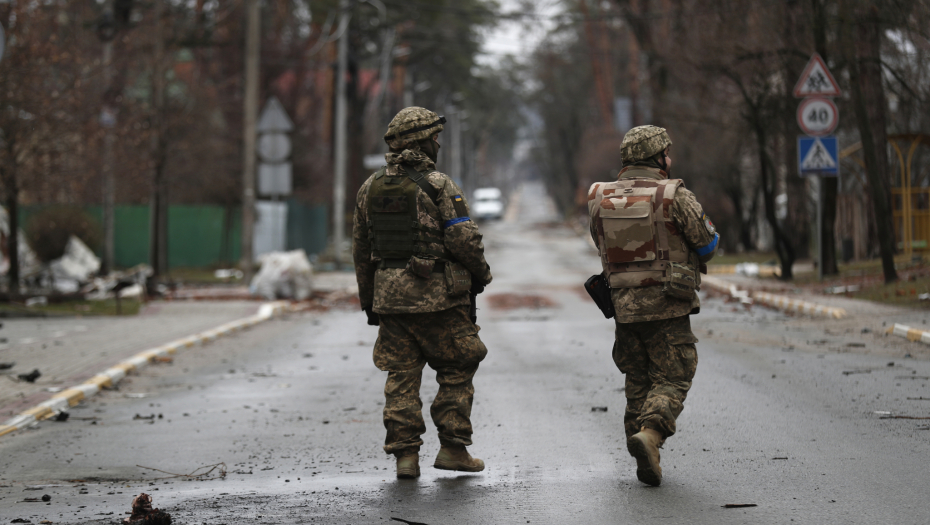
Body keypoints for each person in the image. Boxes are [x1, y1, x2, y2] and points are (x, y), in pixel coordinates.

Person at [352, 106, 493, 479]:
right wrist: (483, 274)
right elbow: (463, 238)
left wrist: (370, 301)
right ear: (424, 142)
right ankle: (453, 448)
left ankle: (405, 457)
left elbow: (361, 252)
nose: (438, 143)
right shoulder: (438, 184)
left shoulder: (370, 187)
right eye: (435, 138)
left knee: (400, 375)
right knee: (459, 364)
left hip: (390, 300)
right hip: (438, 298)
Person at [587, 125, 719, 487]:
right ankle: (652, 434)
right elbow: (707, 245)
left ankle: (645, 453)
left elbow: (599, 242)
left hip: (623, 308)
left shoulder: (599, 196)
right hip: (668, 305)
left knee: (638, 380)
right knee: (674, 375)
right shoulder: (674, 195)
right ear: (658, 157)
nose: (670, 159)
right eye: (667, 153)